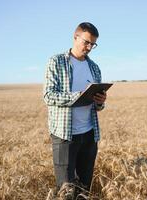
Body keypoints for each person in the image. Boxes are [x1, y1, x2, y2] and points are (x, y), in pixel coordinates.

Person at [43, 22, 106, 199]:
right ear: (75, 37)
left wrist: (100, 102)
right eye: (86, 42)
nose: (89, 47)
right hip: (64, 135)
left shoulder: (94, 67)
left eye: (93, 44)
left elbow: (97, 107)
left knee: (84, 189)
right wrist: (78, 96)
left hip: (89, 134)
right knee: (66, 189)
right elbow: (48, 96)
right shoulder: (56, 62)